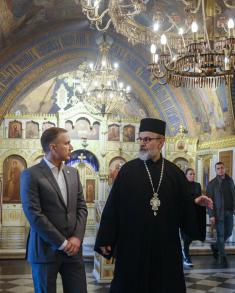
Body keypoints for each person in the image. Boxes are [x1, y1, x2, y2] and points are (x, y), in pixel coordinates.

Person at [94, 118, 212, 293]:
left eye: (147, 139)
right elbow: (114, 207)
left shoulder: (175, 173)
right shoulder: (128, 170)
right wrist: (106, 237)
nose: (142, 143)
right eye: (140, 139)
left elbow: (183, 208)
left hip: (165, 248)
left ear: (161, 142)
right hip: (133, 246)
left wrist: (195, 204)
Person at [20, 127, 88, 293]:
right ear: (53, 147)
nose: (71, 147)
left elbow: (81, 207)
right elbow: (34, 215)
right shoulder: (31, 175)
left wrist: (77, 239)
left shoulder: (73, 173)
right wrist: (63, 243)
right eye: (66, 143)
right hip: (45, 250)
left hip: (73, 251)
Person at [207, 161, 235, 267]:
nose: (220, 170)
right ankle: (222, 256)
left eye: (222, 168)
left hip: (230, 211)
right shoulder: (212, 184)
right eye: (218, 168)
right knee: (221, 235)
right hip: (219, 213)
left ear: (225, 169)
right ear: (215, 170)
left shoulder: (230, 181)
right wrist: (211, 215)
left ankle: (215, 246)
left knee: (228, 233)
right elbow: (209, 201)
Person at [181, 168, 206, 267]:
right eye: (190, 174)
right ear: (186, 175)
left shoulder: (197, 185)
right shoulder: (182, 186)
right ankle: (186, 257)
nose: (192, 176)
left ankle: (185, 251)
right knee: (186, 237)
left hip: (195, 214)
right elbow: (183, 199)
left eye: (193, 174)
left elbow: (199, 198)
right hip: (185, 215)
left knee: (191, 237)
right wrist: (194, 200)